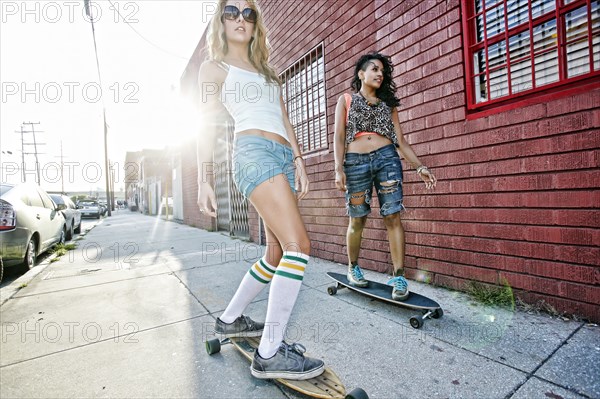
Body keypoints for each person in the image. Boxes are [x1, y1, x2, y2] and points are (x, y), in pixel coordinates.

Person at [196, 0, 324, 381]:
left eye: (248, 13)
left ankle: (230, 319)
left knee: (276, 252)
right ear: (221, 20)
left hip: (282, 156)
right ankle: (269, 351)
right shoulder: (213, 68)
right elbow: (203, 123)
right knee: (300, 245)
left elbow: (283, 116)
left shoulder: (267, 71)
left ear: (255, 25)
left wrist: (299, 160)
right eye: (231, 10)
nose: (240, 18)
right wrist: (204, 177)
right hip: (253, 154)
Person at [333, 52, 437, 301]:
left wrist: (420, 167)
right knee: (357, 218)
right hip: (355, 163)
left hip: (387, 159)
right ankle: (353, 267)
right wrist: (338, 168)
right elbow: (338, 137)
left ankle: (399, 277)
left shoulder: (387, 105)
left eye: (382, 71)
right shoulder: (346, 100)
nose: (380, 73)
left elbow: (400, 141)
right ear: (361, 74)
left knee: (392, 215)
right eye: (374, 69)